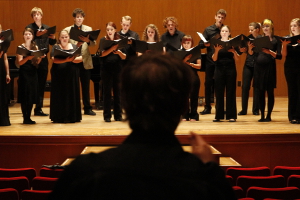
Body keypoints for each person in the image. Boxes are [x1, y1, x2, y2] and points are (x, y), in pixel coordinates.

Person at [48, 53, 236, 200]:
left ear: (126, 104)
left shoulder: (83, 174)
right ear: (184, 106)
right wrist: (211, 170)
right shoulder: (206, 183)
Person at [64, 8, 96, 116]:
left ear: (83, 18)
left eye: (81, 17)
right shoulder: (67, 30)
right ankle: (73, 108)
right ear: (74, 18)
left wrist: (88, 40)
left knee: (86, 86)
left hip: (85, 61)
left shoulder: (88, 29)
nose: (79, 19)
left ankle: (87, 108)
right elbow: (65, 45)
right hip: (73, 61)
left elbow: (93, 44)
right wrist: (75, 45)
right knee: (73, 86)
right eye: (77, 17)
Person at [26, 7, 56, 116]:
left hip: (43, 59)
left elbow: (53, 42)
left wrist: (53, 37)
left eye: (38, 14)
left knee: (42, 84)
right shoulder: (29, 28)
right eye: (34, 15)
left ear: (41, 16)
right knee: (33, 84)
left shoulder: (47, 28)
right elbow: (27, 40)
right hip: (32, 60)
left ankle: (38, 108)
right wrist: (35, 35)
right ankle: (29, 108)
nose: (36, 16)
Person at [49, 30, 82, 123]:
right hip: (59, 75)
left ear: (69, 37)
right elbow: (54, 59)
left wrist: (71, 60)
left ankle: (73, 116)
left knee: (71, 94)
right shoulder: (55, 47)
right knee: (60, 95)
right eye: (62, 37)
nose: (64, 39)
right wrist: (66, 60)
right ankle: (59, 116)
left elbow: (81, 58)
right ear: (59, 38)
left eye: (66, 37)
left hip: (72, 75)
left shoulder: (74, 46)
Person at [252, 19, 282, 122]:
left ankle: (268, 115)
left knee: (270, 92)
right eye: (264, 26)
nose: (265, 28)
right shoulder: (259, 38)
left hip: (269, 68)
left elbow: (279, 56)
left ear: (271, 27)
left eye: (267, 26)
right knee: (260, 92)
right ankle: (261, 116)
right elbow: (254, 53)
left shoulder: (276, 40)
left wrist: (269, 52)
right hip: (258, 68)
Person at [199, 9, 227, 115]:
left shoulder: (225, 29)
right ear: (215, 17)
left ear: (224, 19)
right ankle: (207, 107)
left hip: (222, 61)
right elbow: (200, 44)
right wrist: (204, 44)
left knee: (220, 84)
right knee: (208, 84)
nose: (220, 19)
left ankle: (220, 107)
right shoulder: (208, 30)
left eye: (222, 17)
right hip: (210, 61)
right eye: (219, 17)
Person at [99, 22, 126, 122]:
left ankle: (118, 115)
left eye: (111, 29)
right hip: (106, 69)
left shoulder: (120, 41)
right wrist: (112, 48)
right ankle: (107, 116)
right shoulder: (103, 40)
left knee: (117, 92)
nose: (109, 31)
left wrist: (118, 51)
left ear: (115, 30)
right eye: (108, 30)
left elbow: (124, 57)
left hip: (118, 69)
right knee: (106, 92)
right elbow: (101, 54)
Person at [212, 25, 239, 122]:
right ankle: (218, 115)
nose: (224, 32)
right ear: (220, 33)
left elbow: (237, 59)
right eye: (222, 31)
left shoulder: (233, 43)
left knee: (231, 92)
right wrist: (216, 50)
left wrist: (233, 51)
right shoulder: (217, 43)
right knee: (219, 92)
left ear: (229, 33)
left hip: (231, 69)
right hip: (219, 69)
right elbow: (214, 59)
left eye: (226, 31)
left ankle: (231, 115)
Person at [16, 28, 43, 124]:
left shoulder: (35, 47)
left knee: (31, 95)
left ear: (32, 36)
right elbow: (20, 63)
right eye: (26, 34)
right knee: (25, 95)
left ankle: (29, 117)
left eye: (29, 34)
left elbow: (36, 63)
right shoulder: (20, 47)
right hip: (24, 73)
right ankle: (25, 117)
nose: (28, 36)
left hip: (33, 72)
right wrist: (28, 57)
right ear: (23, 36)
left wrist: (40, 57)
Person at [238, 22, 261, 116]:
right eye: (249, 29)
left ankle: (256, 109)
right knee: (245, 87)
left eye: (252, 30)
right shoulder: (247, 39)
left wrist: (250, 50)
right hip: (248, 64)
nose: (250, 31)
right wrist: (243, 49)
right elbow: (247, 53)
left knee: (256, 87)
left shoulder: (261, 39)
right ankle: (244, 109)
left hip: (258, 65)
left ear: (257, 30)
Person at [281, 18, 300, 124]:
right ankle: (292, 116)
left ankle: (299, 115)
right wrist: (284, 45)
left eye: (295, 25)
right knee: (292, 91)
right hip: (289, 68)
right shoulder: (287, 39)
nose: (292, 28)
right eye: (291, 26)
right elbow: (284, 55)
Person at [181, 35, 201, 121]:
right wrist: (185, 59)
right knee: (184, 96)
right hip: (183, 77)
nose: (186, 44)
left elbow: (199, 66)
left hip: (193, 76)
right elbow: (178, 64)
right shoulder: (180, 52)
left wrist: (190, 64)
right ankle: (185, 115)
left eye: (188, 43)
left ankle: (194, 115)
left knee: (194, 96)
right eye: (185, 43)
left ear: (191, 43)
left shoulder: (195, 52)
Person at [0, 24, 11, 126]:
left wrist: (7, 73)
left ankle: (3, 120)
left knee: (2, 94)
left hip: (1, 70)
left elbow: (5, 58)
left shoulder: (3, 43)